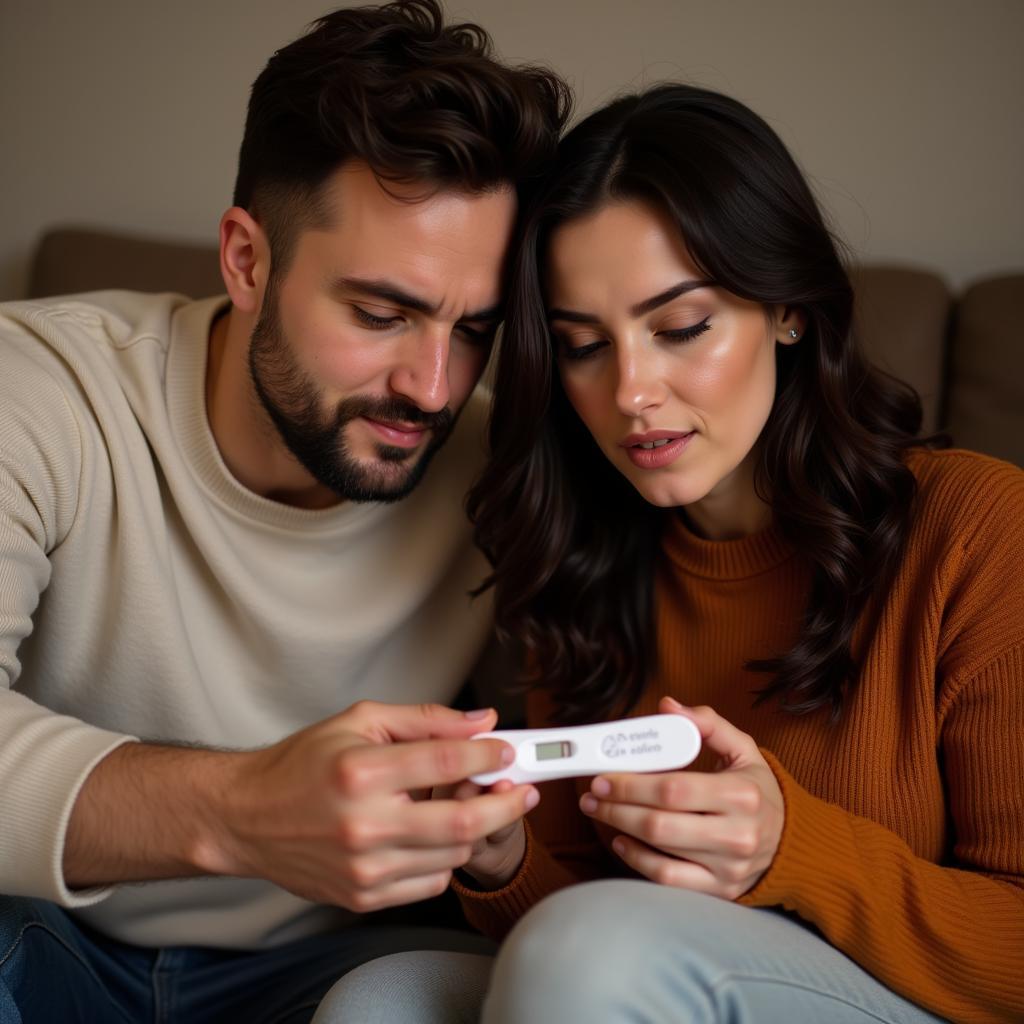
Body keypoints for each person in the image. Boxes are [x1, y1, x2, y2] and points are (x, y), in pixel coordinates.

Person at [318, 85, 1024, 1022]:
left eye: (681, 327)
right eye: (582, 347)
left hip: (920, 995)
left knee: (595, 949)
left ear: (788, 310)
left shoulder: (975, 527)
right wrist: (499, 858)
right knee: (382, 999)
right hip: (650, 973)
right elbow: (574, 938)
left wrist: (795, 851)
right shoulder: (586, 553)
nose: (632, 393)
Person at [0, 2, 570, 1020]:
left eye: (472, 330)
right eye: (381, 313)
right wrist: (242, 811)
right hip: (44, 939)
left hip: (333, 971)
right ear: (246, 260)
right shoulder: (40, 388)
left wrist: (500, 836)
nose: (433, 388)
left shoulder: (503, 470)